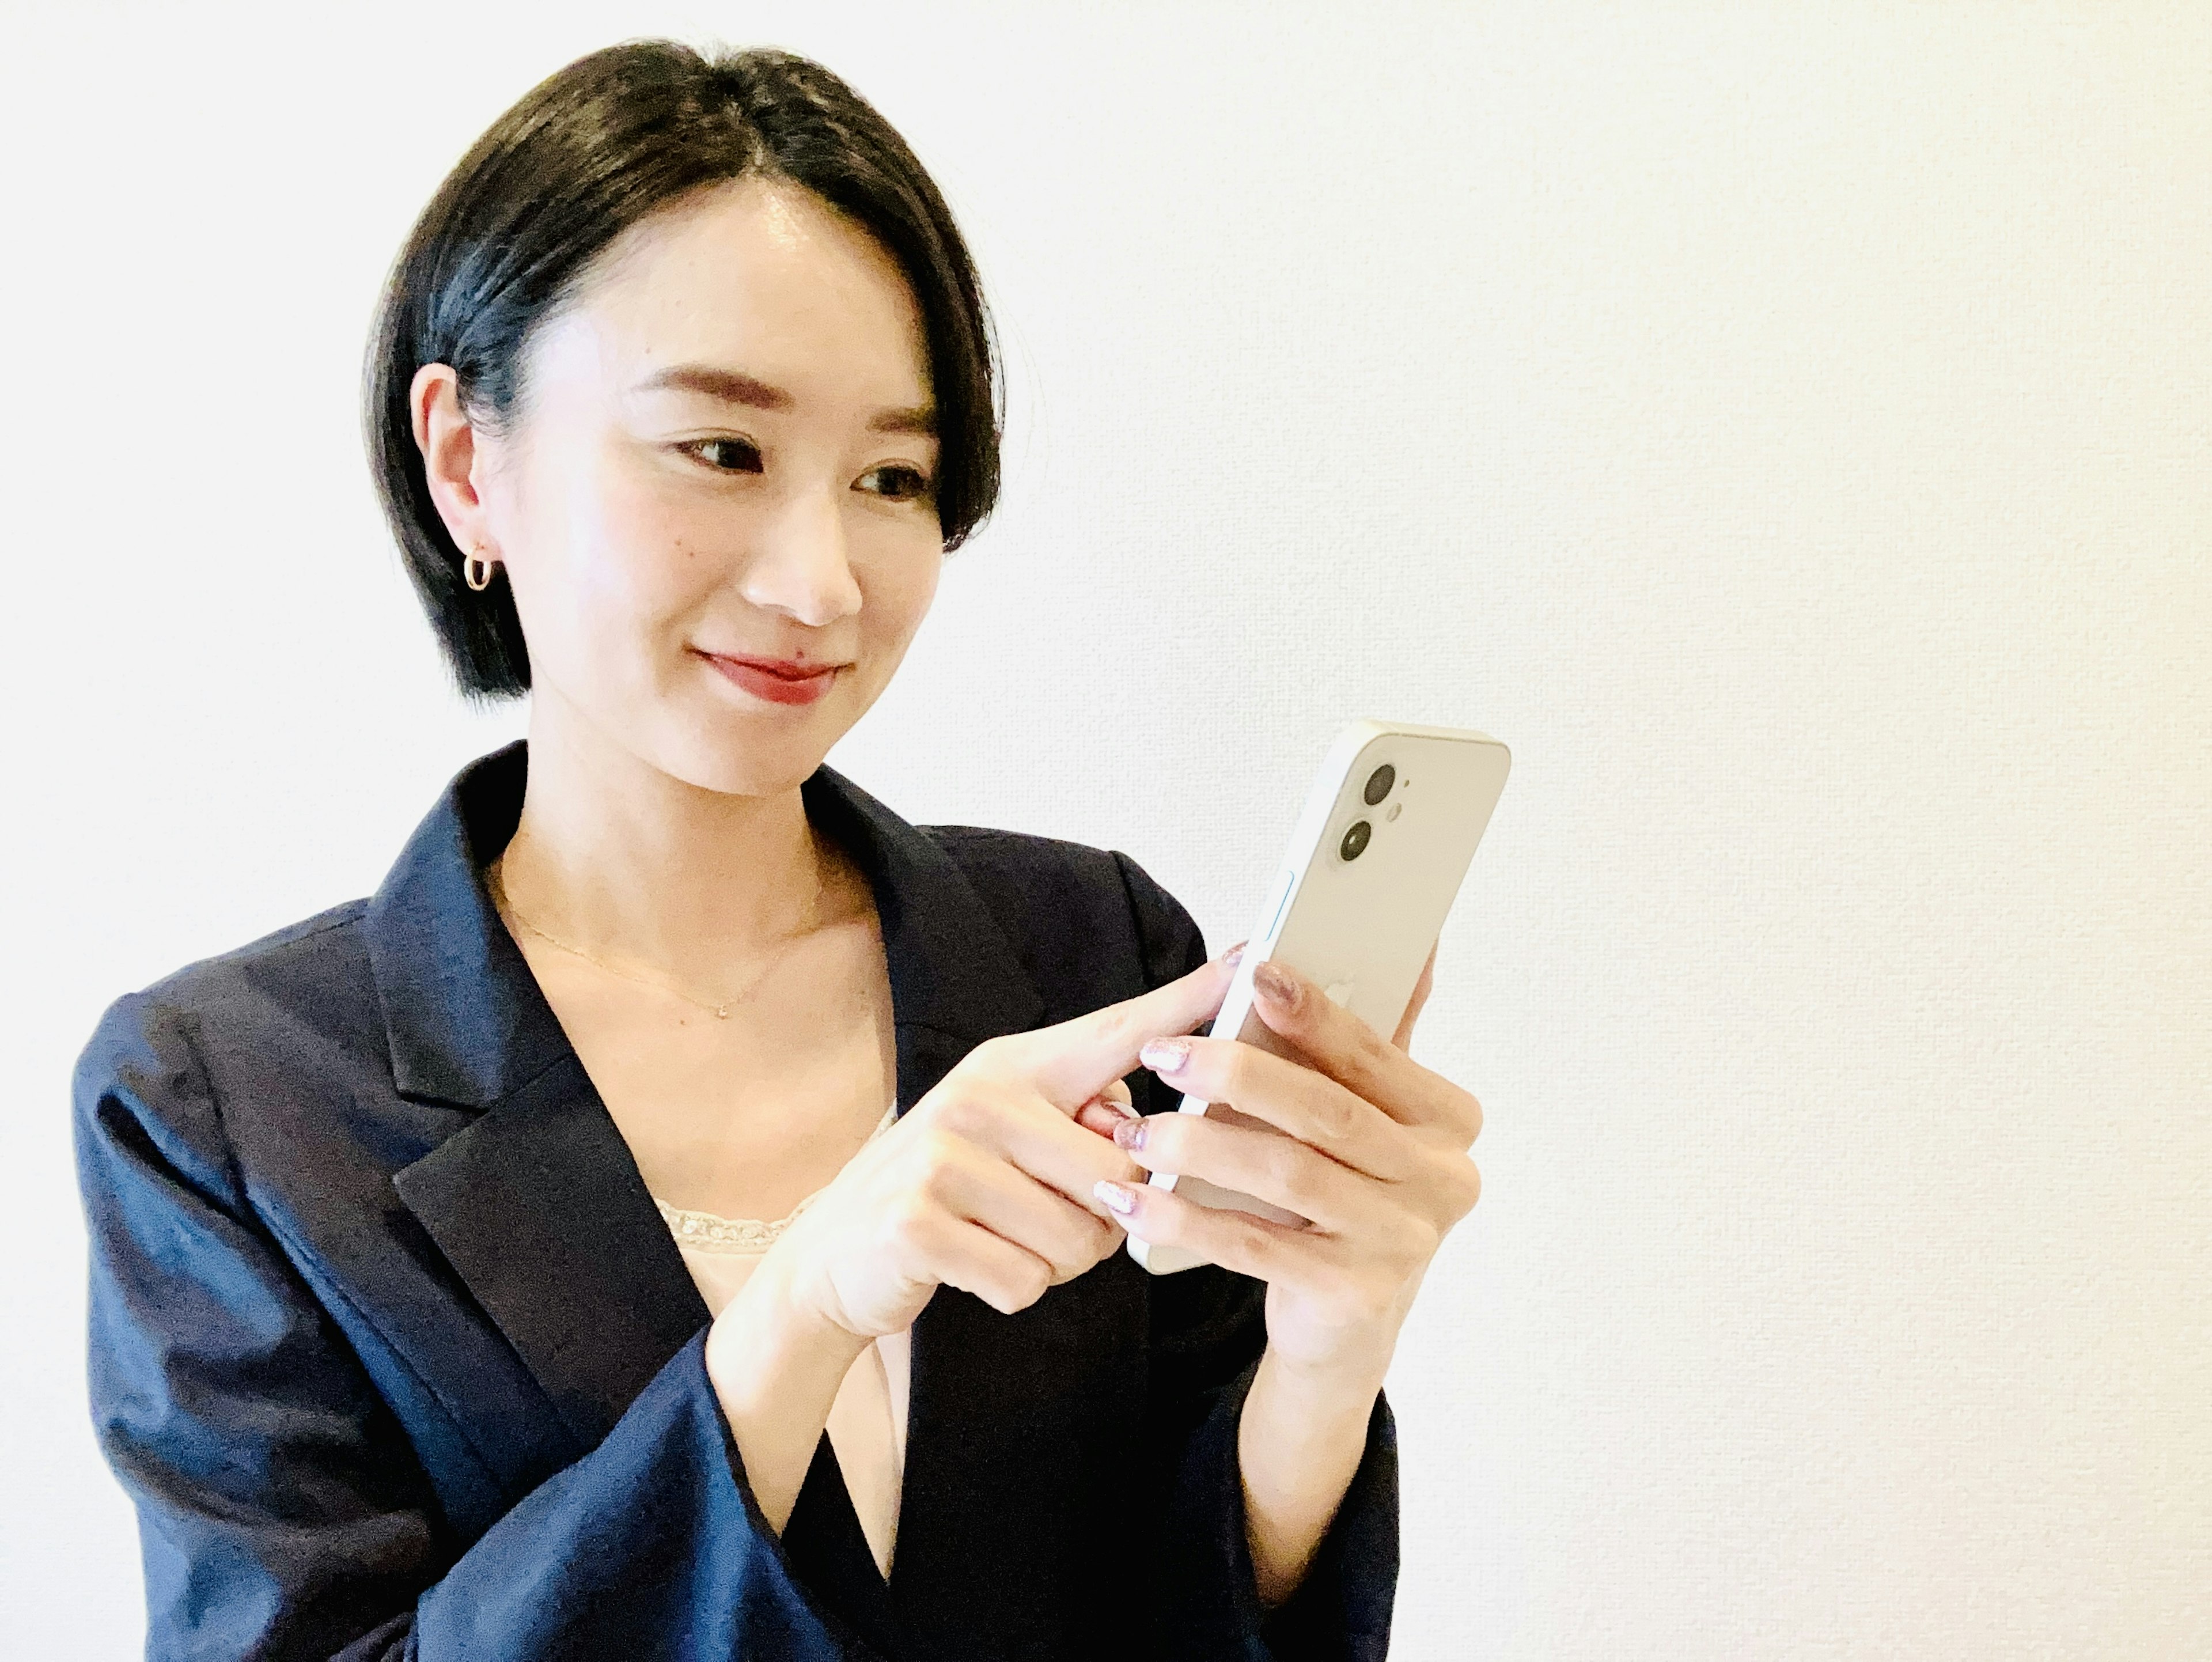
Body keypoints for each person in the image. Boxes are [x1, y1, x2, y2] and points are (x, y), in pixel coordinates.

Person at [71, 39, 1483, 1661]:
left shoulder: (1087, 953)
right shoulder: (230, 1105)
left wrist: (1328, 1350)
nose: (820, 583)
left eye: (895, 476)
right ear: (470, 458)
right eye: (722, 451)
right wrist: (803, 1315)